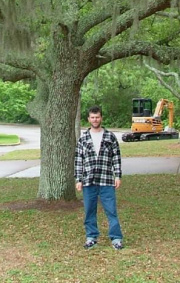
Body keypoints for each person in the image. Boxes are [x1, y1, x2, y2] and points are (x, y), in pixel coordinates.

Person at [74, 105, 124, 250]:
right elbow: (78, 159)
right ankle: (91, 237)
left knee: (111, 210)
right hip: (89, 180)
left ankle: (116, 238)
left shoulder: (110, 136)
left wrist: (118, 176)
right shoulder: (83, 138)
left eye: (97, 117)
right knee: (89, 210)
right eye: (92, 117)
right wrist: (78, 179)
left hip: (107, 179)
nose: (95, 120)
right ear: (89, 119)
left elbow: (116, 157)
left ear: (101, 118)